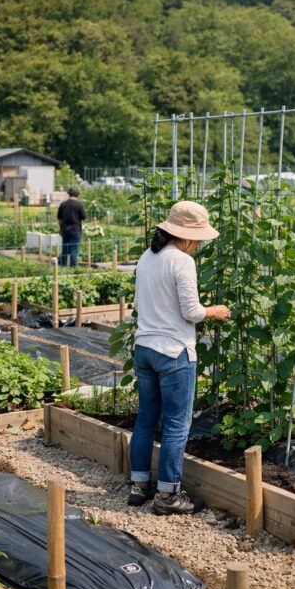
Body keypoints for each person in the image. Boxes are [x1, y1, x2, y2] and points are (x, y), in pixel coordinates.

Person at [127, 201, 231, 515]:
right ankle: (168, 496)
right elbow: (192, 312)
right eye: (198, 239)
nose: (199, 244)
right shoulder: (182, 261)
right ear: (185, 237)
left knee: (145, 420)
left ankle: (139, 485)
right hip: (174, 353)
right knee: (175, 425)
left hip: (144, 348)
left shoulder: (148, 257)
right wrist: (216, 311)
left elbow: (138, 303)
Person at [57, 186, 86, 267]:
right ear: (78, 195)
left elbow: (59, 219)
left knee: (65, 248)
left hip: (65, 229)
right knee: (74, 248)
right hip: (75, 229)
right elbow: (84, 217)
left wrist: (60, 229)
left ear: (69, 194)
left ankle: (62, 265)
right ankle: (73, 267)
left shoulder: (63, 205)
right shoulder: (79, 205)